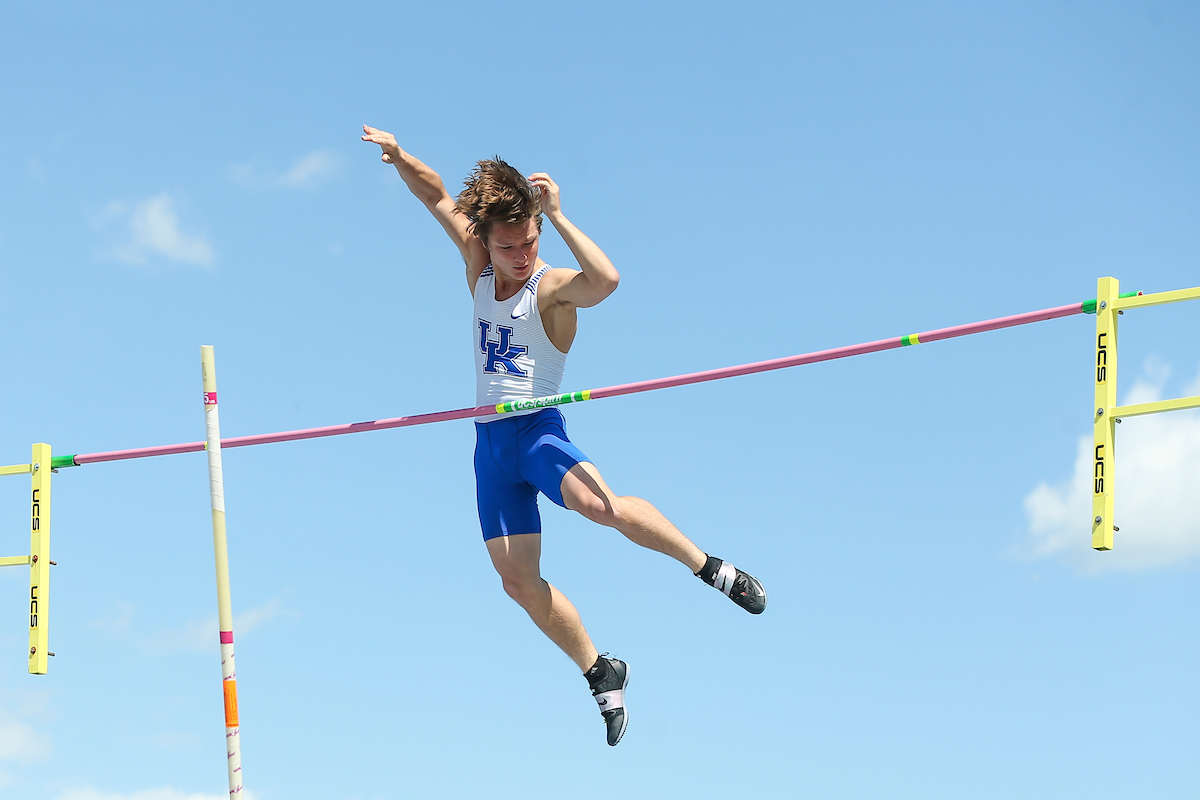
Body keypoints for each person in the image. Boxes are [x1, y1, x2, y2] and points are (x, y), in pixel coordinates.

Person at [361, 125, 766, 746]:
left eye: (529, 242)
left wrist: (559, 214)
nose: (520, 255)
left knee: (597, 505)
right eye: (508, 247)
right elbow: (435, 192)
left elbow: (605, 282)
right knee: (517, 582)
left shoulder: (548, 288)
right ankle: (600, 669)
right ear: (485, 242)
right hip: (490, 448)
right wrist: (397, 157)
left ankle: (708, 567)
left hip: (536, 433)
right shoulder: (477, 265)